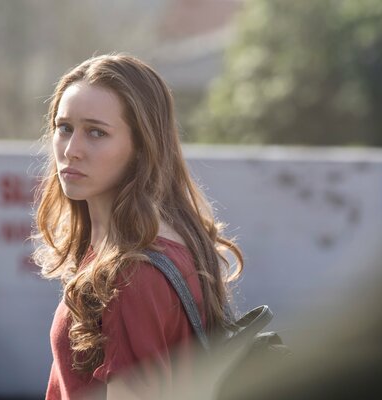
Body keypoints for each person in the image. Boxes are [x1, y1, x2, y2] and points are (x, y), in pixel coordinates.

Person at [32, 53, 243, 399]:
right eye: (64, 128)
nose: (72, 149)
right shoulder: (172, 239)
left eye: (96, 133)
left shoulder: (129, 275)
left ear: (142, 147)